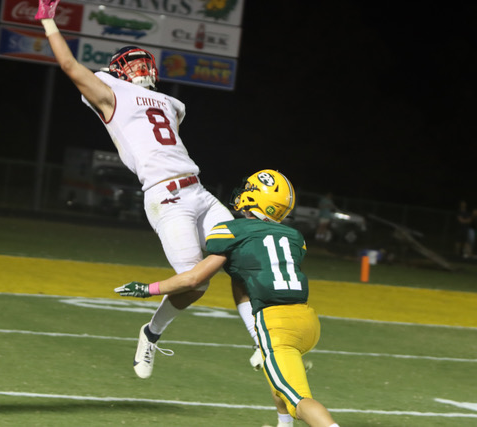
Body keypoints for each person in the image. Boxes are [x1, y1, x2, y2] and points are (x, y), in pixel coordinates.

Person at [34, 0, 262, 379]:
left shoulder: (172, 103)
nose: (139, 68)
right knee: (196, 284)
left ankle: (260, 341)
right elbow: (70, 66)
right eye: (132, 63)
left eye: (144, 63)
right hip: (166, 196)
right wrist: (48, 22)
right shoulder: (110, 92)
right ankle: (151, 333)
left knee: (240, 257)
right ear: (117, 71)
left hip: (198, 190)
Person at [116, 170, 340, 427]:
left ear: (257, 198)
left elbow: (193, 279)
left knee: (299, 401)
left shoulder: (233, 231)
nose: (243, 193)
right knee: (278, 372)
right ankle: (283, 424)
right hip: (308, 323)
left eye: (249, 190)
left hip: (277, 326)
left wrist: (148, 289)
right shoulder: (295, 238)